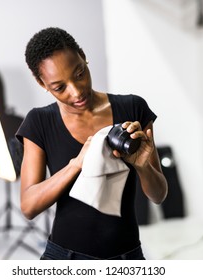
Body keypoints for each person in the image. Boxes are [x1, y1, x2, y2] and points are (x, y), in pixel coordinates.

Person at [15, 27, 168, 260]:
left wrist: (143, 166)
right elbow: (29, 206)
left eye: (79, 74)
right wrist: (76, 164)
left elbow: (158, 195)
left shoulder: (133, 109)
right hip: (64, 259)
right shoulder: (40, 121)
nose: (76, 92)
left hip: (127, 259)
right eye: (59, 87)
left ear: (83, 56)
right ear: (41, 83)